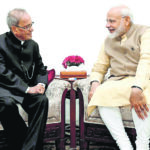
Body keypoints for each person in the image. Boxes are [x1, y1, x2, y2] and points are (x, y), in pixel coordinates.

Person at [88, 5, 150, 150]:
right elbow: (99, 66)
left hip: (143, 79)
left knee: (144, 96)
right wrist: (95, 83)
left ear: (126, 20)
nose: (107, 25)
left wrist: (137, 87)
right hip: (118, 81)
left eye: (111, 21)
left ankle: (142, 145)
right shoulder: (108, 40)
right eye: (107, 21)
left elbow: (146, 60)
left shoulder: (145, 33)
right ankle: (124, 146)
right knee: (101, 93)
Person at [0, 8, 48, 150]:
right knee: (5, 104)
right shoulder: (0, 43)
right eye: (27, 26)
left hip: (26, 91)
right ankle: (25, 144)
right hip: (5, 90)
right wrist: (27, 88)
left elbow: (41, 69)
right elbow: (2, 73)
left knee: (41, 100)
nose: (32, 29)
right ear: (15, 29)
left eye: (31, 24)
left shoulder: (33, 45)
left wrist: (40, 84)